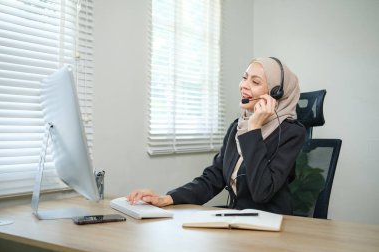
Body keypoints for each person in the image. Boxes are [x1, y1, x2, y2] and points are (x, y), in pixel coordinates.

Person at [128, 57, 306, 215]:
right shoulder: (237, 127)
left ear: (276, 94)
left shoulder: (291, 132)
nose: (244, 85)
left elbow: (262, 191)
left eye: (255, 82)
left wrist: (254, 130)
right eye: (244, 78)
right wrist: (167, 198)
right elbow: (214, 177)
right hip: (237, 220)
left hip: (272, 223)